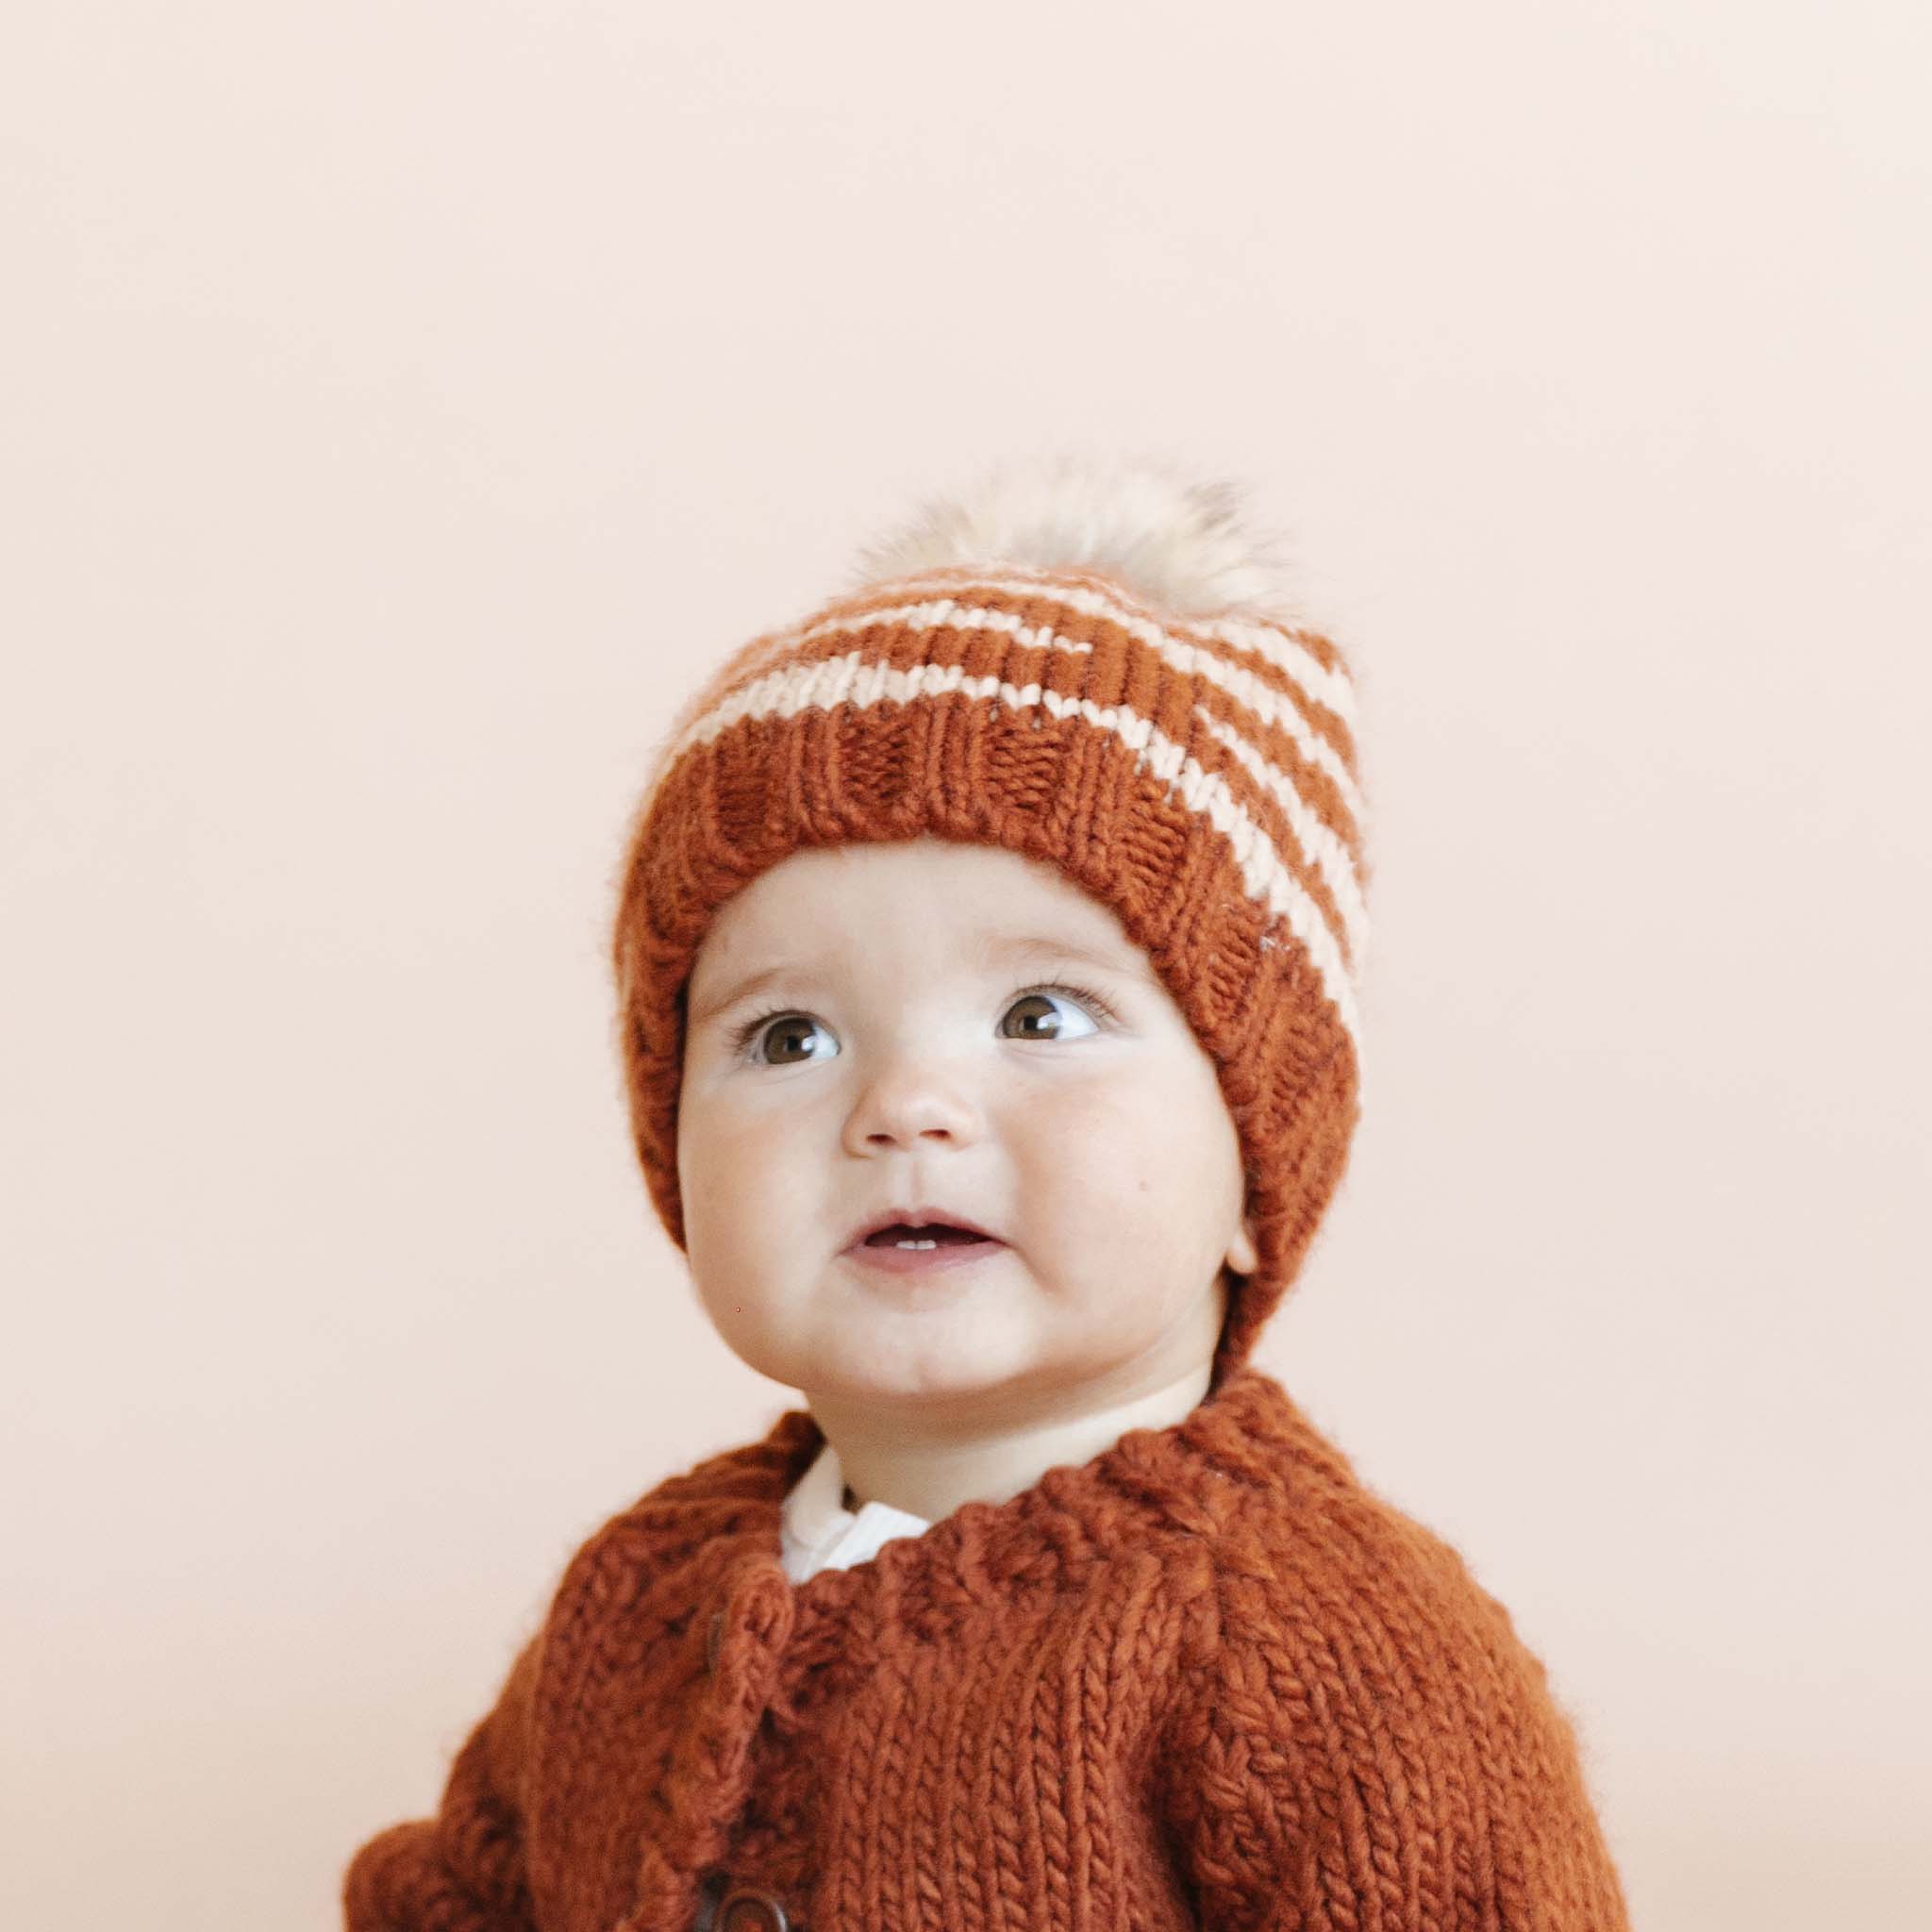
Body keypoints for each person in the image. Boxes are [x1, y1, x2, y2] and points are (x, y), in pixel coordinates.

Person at [342, 452, 1633, 1931]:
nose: (904, 1108)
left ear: (1254, 1171)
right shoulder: (637, 1604)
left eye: (1041, 1018)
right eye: (789, 1036)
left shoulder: (1325, 1653)